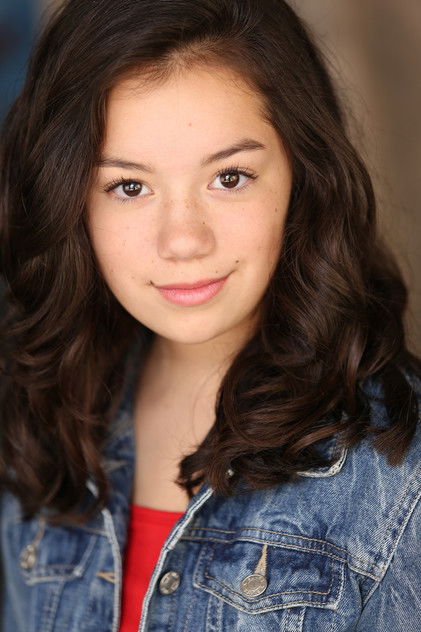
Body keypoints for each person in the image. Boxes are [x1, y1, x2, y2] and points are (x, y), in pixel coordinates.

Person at [0, 0, 419, 630]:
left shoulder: (400, 474)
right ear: (70, 202)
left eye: (229, 177)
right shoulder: (43, 412)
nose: (184, 240)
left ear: (304, 175)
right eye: (129, 187)